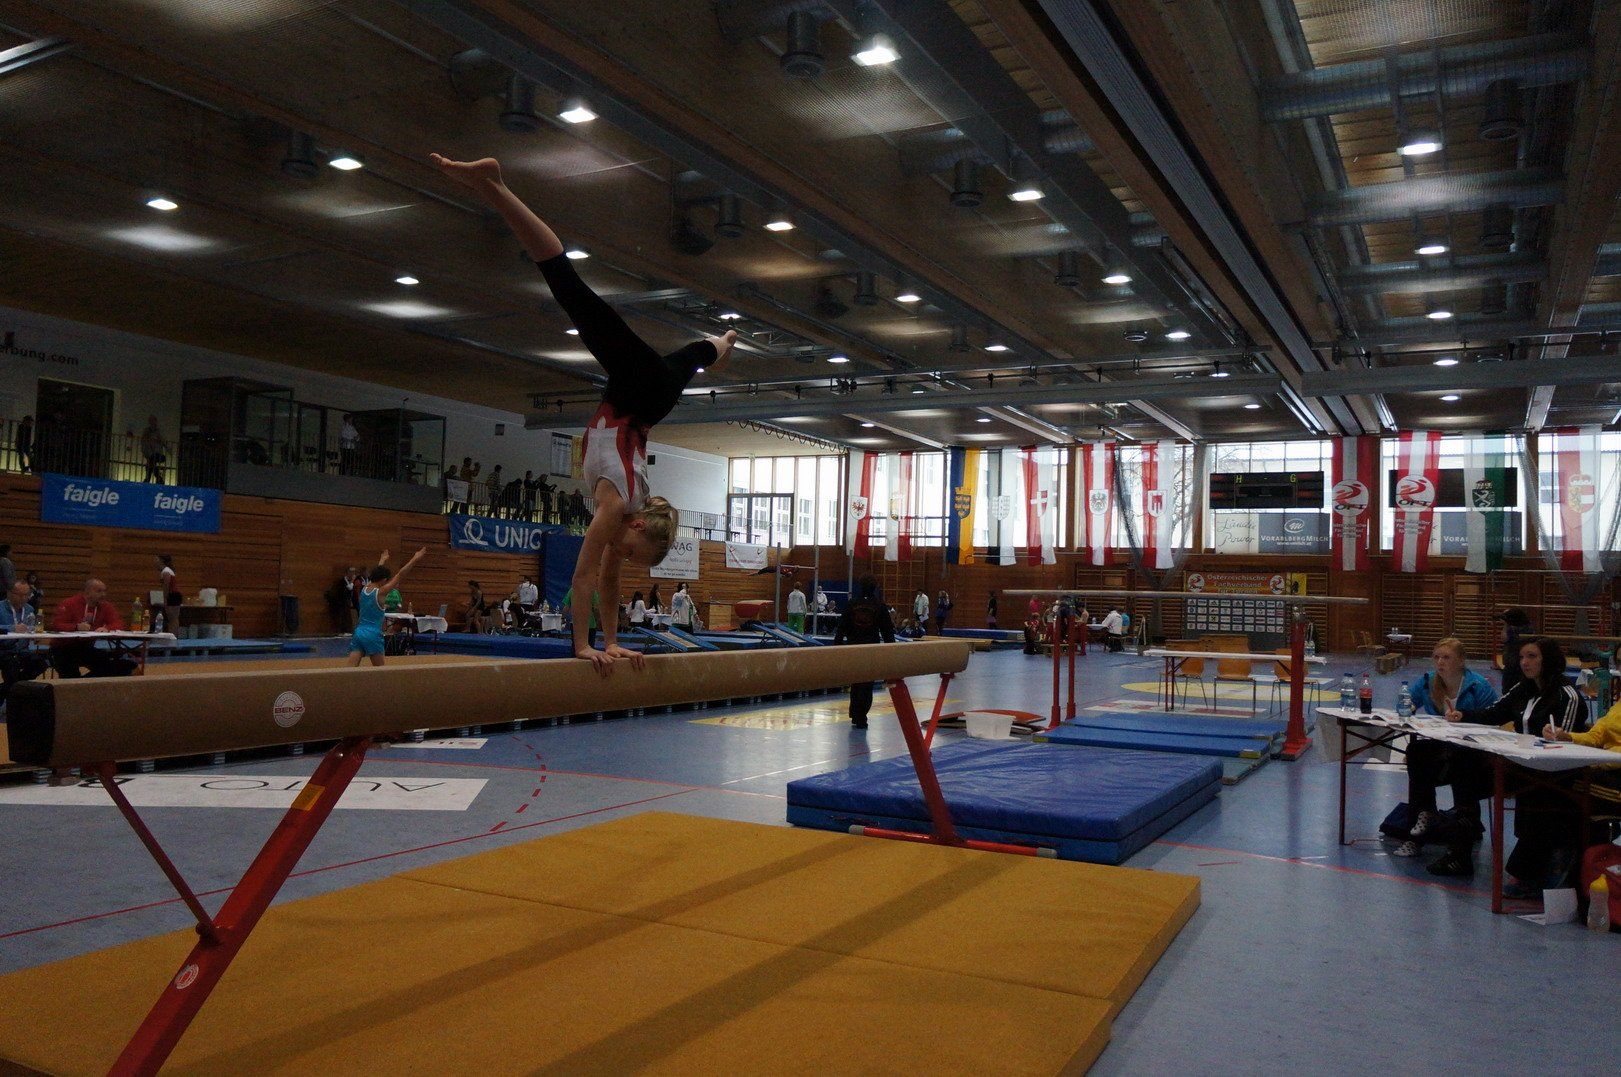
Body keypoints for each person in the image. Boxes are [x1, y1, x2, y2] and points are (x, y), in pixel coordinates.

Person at [432, 152, 735, 676]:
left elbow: (610, 581)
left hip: (648, 398)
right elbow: (583, 578)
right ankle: (493, 184)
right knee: (570, 288)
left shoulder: (628, 517)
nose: (624, 554)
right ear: (638, 526)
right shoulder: (616, 509)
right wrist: (581, 647)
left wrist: (610, 643)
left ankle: (723, 341)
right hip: (639, 393)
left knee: (692, 356)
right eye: (634, 550)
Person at [1435, 636, 1590, 885]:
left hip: (1552, 772)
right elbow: (1494, 713)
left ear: (1548, 660)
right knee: (1463, 766)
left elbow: (1566, 744)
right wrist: (1463, 715)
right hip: (1520, 765)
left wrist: (1556, 735)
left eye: (1532, 657)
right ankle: (1460, 851)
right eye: (1521, 657)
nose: (1524, 663)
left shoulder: (1567, 695)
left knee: (1536, 796)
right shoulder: (1522, 688)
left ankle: (1528, 871)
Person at [1390, 639, 1500, 859]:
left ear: (1461, 661)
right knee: (1416, 753)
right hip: (1442, 745)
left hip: (1474, 750)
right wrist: (1410, 706)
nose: (1440, 662)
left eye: (1446, 657)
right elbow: (1404, 703)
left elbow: (1496, 719)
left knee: (1448, 762)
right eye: (1437, 657)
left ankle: (1457, 826)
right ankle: (1424, 816)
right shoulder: (1427, 682)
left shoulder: (1478, 686)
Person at [833, 575, 896, 729]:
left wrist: (837, 648)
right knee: (866, 685)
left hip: (854, 648)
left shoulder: (852, 604)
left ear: (860, 586)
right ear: (875, 588)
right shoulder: (879, 605)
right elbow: (887, 631)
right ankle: (861, 716)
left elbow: (841, 627)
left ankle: (855, 714)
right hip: (870, 649)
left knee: (856, 682)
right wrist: (892, 653)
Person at [348, 549, 426, 667]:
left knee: (350, 669)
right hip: (373, 634)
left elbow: (376, 574)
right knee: (381, 670)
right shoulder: (381, 592)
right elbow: (400, 575)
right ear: (384, 580)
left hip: (359, 632)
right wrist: (414, 559)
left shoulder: (365, 588)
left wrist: (382, 560)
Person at [49, 578, 135, 678]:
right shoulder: (69, 603)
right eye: (99, 591)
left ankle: (84, 683)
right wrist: (76, 627)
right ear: (87, 592)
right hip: (63, 648)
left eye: (104, 591)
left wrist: (107, 628)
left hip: (85, 648)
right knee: (70, 675)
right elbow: (56, 625)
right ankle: (79, 682)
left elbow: (119, 623)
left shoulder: (105, 606)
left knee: (116, 666)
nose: (103, 594)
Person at [0, 579, 48, 704]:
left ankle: (6, 690)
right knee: (12, 665)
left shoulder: (29, 609)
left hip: (22, 651)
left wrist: (35, 634)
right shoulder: (0, 607)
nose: (23, 598)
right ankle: (13, 696)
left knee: (41, 662)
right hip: (4, 650)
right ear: (9, 593)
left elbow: (32, 627)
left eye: (26, 595)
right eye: (19, 595)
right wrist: (11, 628)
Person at [1495, 607, 1533, 694]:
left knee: (1509, 688)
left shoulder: (1512, 629)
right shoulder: (1528, 627)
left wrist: (1506, 625)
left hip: (1513, 661)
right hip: (1522, 661)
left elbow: (1504, 638)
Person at [155, 554, 182, 634]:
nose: (155, 562)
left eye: (157, 560)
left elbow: (166, 587)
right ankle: (173, 635)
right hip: (175, 595)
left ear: (161, 561)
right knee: (173, 618)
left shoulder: (166, 571)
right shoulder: (168, 570)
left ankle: (173, 635)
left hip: (172, 595)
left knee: (172, 618)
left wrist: (165, 599)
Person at [139, 416, 167, 483]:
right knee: (151, 464)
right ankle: (157, 478)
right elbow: (144, 440)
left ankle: (149, 479)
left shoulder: (157, 431)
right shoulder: (147, 431)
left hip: (155, 453)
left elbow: (161, 440)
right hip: (151, 452)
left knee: (150, 464)